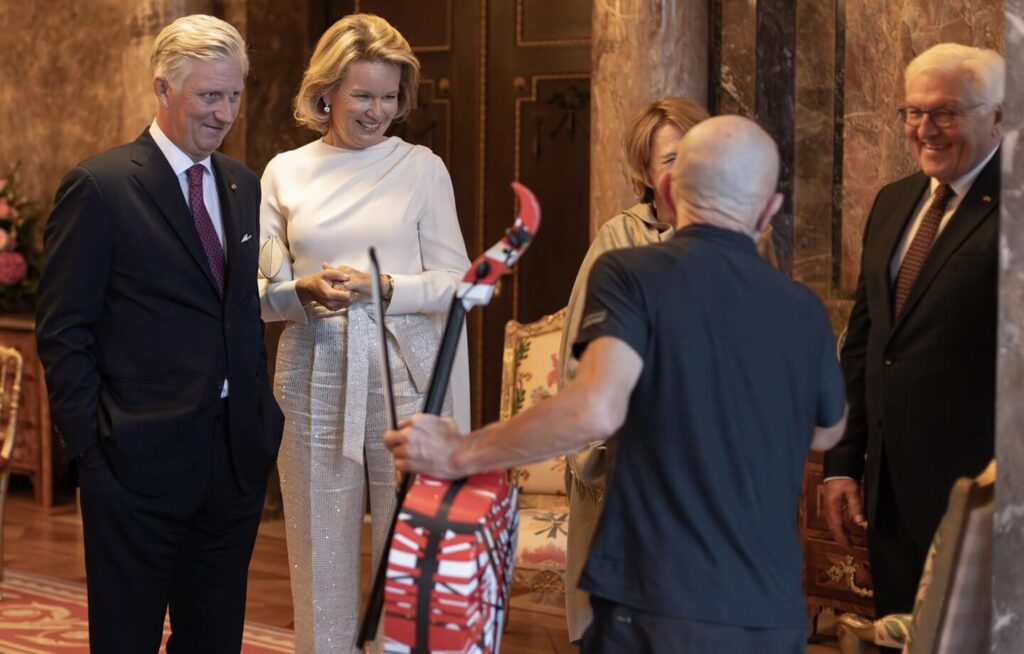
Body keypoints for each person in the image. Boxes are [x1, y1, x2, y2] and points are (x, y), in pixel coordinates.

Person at [386, 115, 848, 653]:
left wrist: (460, 452)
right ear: (770, 209)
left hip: (658, 600)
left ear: (671, 190)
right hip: (770, 611)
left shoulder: (633, 273)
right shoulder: (804, 310)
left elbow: (594, 410)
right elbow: (826, 431)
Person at [35, 15, 283, 653]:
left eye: (233, 95)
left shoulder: (242, 184)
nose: (224, 111)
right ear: (163, 89)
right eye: (208, 95)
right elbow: (64, 331)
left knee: (213, 640)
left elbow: (237, 312)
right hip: (134, 464)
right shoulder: (99, 187)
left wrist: (258, 419)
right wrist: (94, 448)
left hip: (232, 462)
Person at [257, 13, 471, 653]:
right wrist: (300, 291)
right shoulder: (283, 172)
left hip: (405, 370)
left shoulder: (422, 168)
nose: (378, 111)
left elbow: (459, 281)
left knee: (407, 554)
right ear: (327, 93)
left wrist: (387, 289)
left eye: (389, 96)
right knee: (318, 550)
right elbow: (258, 295)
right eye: (363, 96)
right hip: (311, 369)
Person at [557, 96, 778, 642]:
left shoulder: (753, 237)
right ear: (646, 172)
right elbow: (581, 358)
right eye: (669, 159)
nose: (683, 172)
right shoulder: (617, 239)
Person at [823, 43, 1003, 617]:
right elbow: (866, 347)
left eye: (946, 112)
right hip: (890, 497)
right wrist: (844, 463)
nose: (926, 128)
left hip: (982, 501)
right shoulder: (893, 202)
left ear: (999, 116)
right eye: (913, 112)